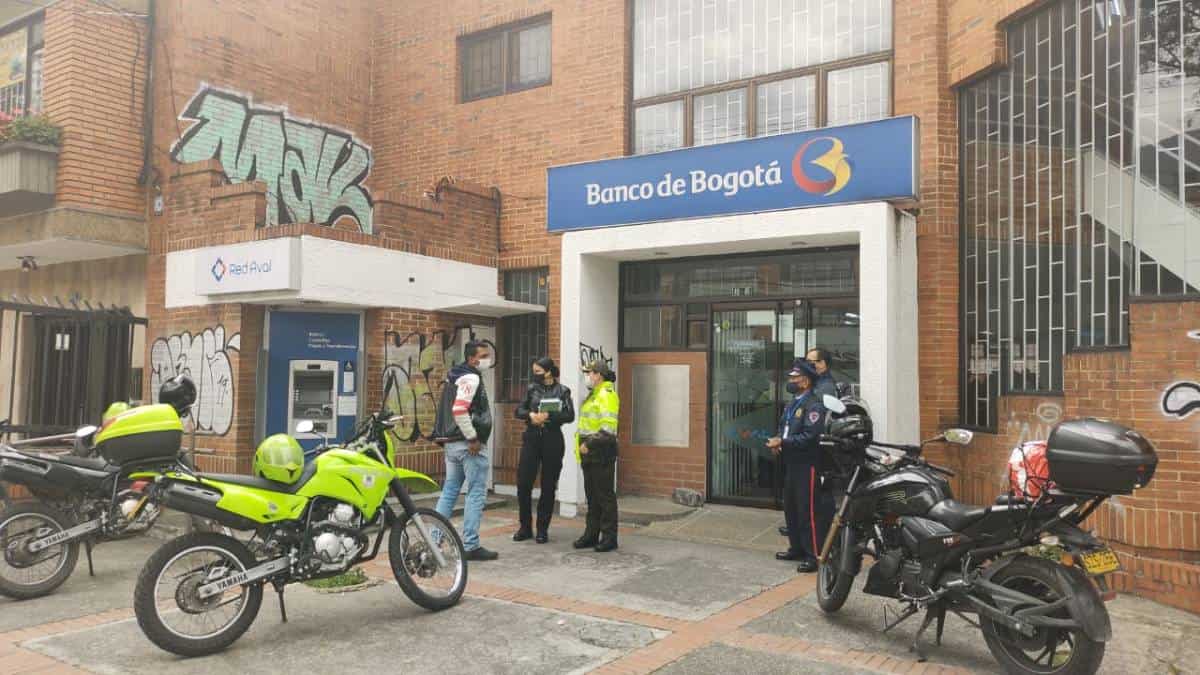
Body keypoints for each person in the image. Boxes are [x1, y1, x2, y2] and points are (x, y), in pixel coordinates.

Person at [432, 340, 497, 561]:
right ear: (471, 359)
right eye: (483, 356)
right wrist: (472, 437)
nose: (487, 359)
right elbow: (460, 410)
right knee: (476, 494)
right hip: (468, 445)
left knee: (449, 491)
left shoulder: (454, 376)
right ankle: (470, 544)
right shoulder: (471, 378)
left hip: (451, 444)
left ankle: (433, 540)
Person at [767, 359, 833, 573]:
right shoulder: (792, 403)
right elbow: (784, 428)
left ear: (806, 381)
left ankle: (813, 555)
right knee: (792, 508)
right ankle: (796, 548)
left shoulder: (813, 405)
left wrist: (783, 442)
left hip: (807, 465)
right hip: (791, 462)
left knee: (808, 511)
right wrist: (779, 441)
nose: (791, 381)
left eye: (795, 378)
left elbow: (810, 436)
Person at [514, 357, 575, 543]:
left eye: (538, 371)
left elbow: (570, 415)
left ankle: (542, 529)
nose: (535, 375)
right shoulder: (532, 389)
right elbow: (518, 410)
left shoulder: (563, 391)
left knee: (548, 486)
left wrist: (549, 416)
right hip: (532, 438)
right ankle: (525, 527)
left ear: (548, 372)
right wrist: (531, 415)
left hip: (552, 439)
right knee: (523, 483)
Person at [575, 359, 620, 553]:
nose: (587, 377)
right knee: (592, 497)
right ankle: (591, 535)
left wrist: (588, 444)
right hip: (590, 454)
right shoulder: (594, 394)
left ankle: (609, 538)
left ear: (598, 375)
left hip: (601, 452)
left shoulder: (606, 395)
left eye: (590, 373)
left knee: (605, 497)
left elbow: (608, 429)